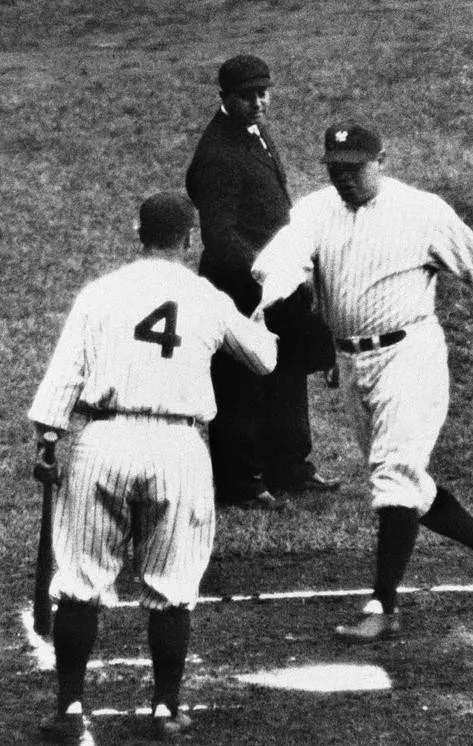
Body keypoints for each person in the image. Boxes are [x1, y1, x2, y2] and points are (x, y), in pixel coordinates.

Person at [251, 122, 473, 642]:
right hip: (351, 364)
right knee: (408, 487)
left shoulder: (423, 211)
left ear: (381, 161)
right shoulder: (315, 209)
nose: (343, 179)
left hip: (410, 356)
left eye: (354, 168)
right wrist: (270, 296)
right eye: (335, 170)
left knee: (395, 478)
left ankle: (382, 606)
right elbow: (283, 259)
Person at [28, 192, 278, 742]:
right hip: (179, 448)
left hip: (104, 440)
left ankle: (69, 708)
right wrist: (261, 317)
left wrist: (47, 441)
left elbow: (64, 374)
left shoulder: (100, 293)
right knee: (172, 584)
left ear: (137, 230)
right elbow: (263, 358)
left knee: (80, 581)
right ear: (189, 238)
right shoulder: (204, 295)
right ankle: (165, 709)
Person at [185, 54, 339, 509]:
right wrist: (264, 273)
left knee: (287, 372)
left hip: (276, 280)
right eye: (248, 95)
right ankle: (240, 484)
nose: (259, 101)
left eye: (263, 92)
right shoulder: (217, 153)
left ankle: (289, 466)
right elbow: (220, 236)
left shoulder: (255, 131)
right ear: (224, 98)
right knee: (239, 386)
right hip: (240, 288)